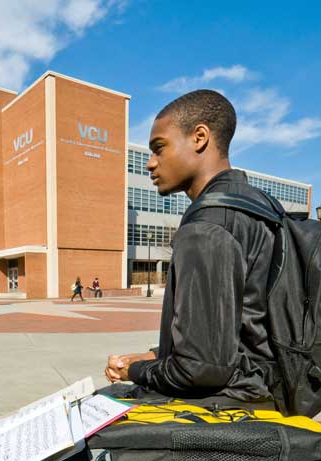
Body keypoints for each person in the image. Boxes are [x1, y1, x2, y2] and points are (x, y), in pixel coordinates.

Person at [106, 89, 276, 405]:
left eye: (159, 148)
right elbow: (234, 330)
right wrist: (156, 354)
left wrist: (136, 371)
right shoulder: (258, 206)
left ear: (199, 137)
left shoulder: (206, 224)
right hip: (266, 391)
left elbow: (199, 369)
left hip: (234, 409)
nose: (150, 163)